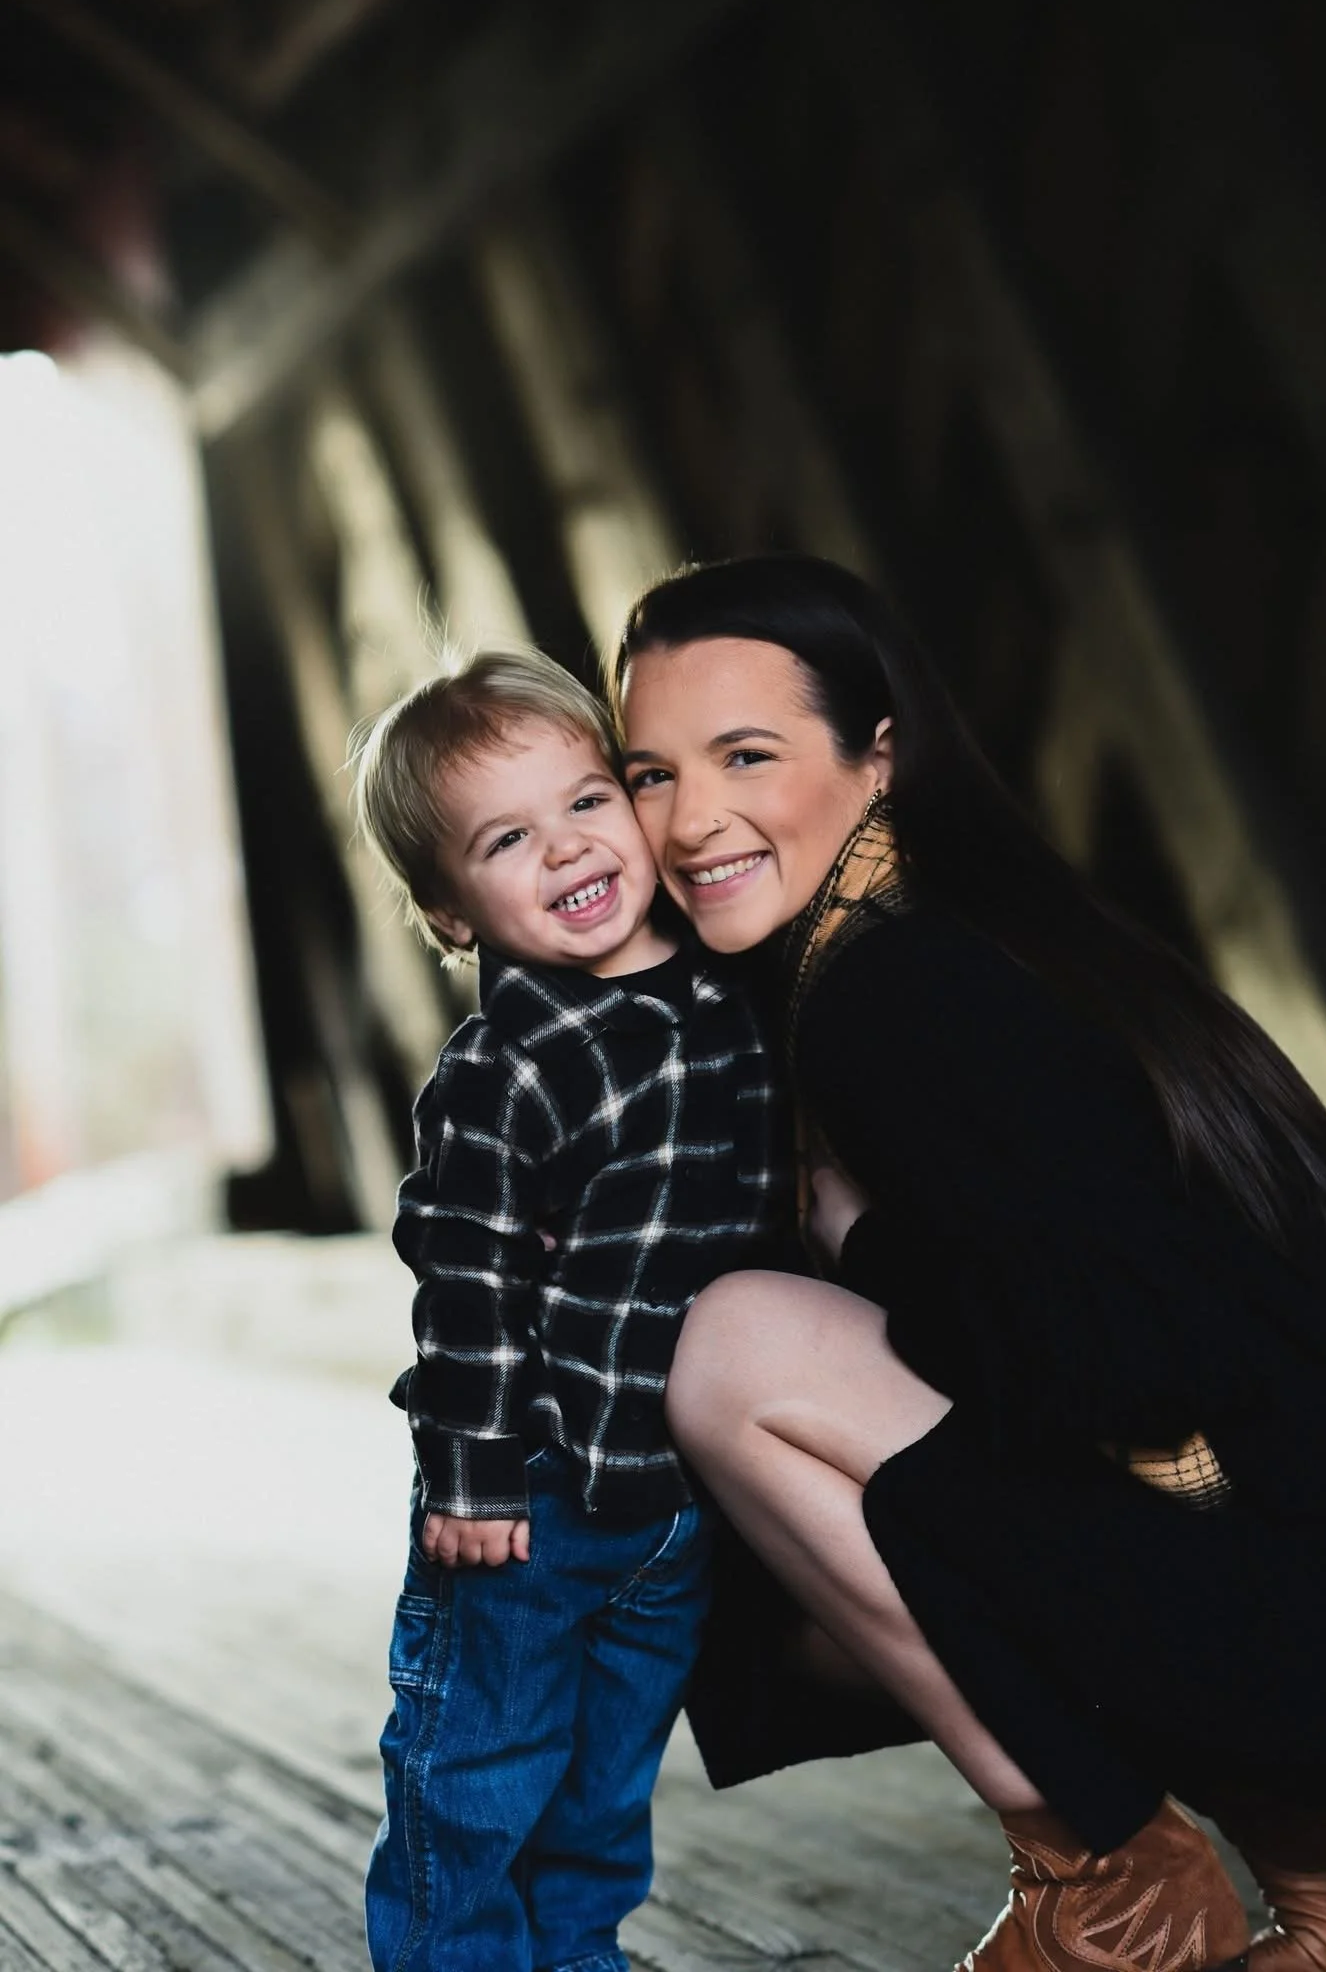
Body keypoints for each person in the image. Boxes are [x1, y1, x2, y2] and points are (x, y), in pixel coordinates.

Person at [612, 554, 1326, 1972]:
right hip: (1323, 1574)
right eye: (648, 774)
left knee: (732, 1355)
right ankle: (1325, 1879)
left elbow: (1123, 1368)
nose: (691, 820)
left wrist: (866, 1240)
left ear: (877, 754)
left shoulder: (892, 992)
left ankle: (1107, 1882)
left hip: (1310, 1630)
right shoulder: (984, 933)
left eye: (746, 756)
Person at [353, 650, 780, 1972]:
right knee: (474, 1791)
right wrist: (469, 1478)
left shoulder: (736, 990)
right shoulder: (504, 1068)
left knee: (602, 1808)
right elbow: (464, 1278)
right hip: (527, 1508)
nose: (566, 850)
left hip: (670, 1508)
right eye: (506, 839)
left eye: (587, 802)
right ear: (449, 913)